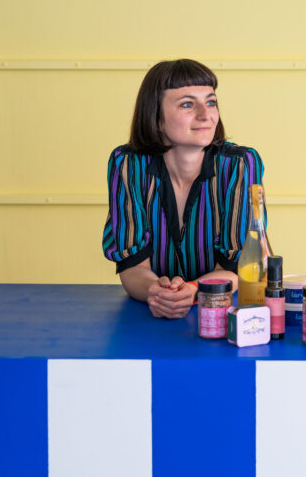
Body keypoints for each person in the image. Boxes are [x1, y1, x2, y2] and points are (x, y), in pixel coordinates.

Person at [102, 58, 265, 318]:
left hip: (221, 314)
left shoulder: (240, 165)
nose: (206, 114)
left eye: (211, 102)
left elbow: (238, 269)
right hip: (149, 317)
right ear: (155, 117)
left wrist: (194, 290)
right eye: (188, 104)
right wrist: (156, 291)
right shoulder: (128, 165)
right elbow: (132, 269)